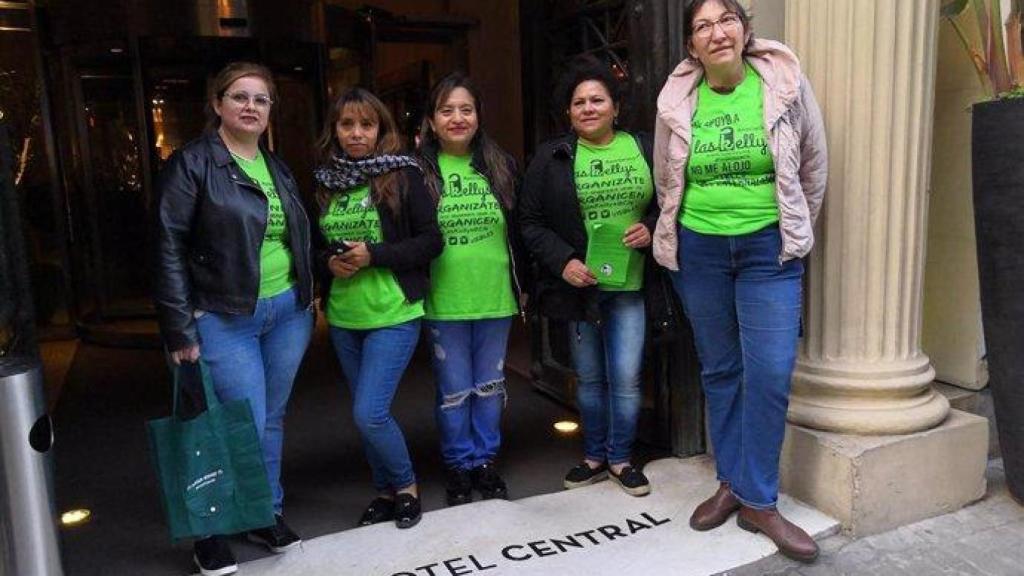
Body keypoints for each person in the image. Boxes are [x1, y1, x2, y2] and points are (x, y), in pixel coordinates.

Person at [652, 0, 827, 562]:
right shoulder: (676, 100)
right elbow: (665, 177)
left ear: (745, 31)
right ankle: (731, 484)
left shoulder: (783, 84)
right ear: (691, 46)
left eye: (725, 20)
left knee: (771, 372)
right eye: (702, 26)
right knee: (721, 368)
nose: (716, 32)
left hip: (766, 249)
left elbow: (813, 169)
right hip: (701, 248)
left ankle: (760, 500)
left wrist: (791, 227)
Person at [154, 61, 314, 576]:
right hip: (225, 317)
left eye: (261, 99)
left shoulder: (279, 167)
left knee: (268, 420)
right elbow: (168, 246)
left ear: (270, 111)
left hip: (287, 312)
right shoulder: (192, 164)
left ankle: (263, 512)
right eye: (239, 97)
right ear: (218, 104)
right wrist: (179, 326)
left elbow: (295, 236)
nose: (251, 106)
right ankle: (211, 530)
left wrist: (309, 294)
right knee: (226, 425)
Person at [519, 56, 658, 497]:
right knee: (592, 378)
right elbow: (529, 221)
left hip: (632, 287)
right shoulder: (552, 157)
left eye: (597, 99)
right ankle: (594, 456)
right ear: (568, 113)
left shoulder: (644, 147)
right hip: (580, 289)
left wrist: (652, 225)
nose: (588, 108)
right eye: (578, 102)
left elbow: (674, 199)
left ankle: (621, 459)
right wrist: (563, 262)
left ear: (616, 107)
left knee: (626, 375)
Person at [313, 87, 442, 530]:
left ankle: (406, 487)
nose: (356, 133)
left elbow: (431, 242)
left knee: (368, 412)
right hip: (345, 317)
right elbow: (312, 247)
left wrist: (375, 255)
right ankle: (384, 491)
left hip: (393, 314)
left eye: (366, 125)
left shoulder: (403, 175)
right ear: (335, 129)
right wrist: (328, 262)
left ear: (381, 129)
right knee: (368, 414)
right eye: (347, 124)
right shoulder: (324, 182)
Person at [415, 72, 527, 506]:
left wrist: (524, 286)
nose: (457, 118)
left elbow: (517, 231)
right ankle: (459, 465)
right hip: (444, 299)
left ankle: (485, 461)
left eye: (466, 109)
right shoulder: (417, 171)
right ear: (431, 120)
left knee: (490, 385)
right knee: (454, 388)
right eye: (447, 110)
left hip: (495, 296)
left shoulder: (500, 166)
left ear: (479, 116)